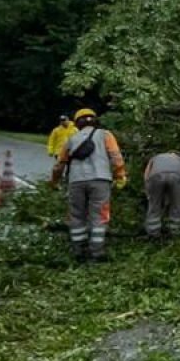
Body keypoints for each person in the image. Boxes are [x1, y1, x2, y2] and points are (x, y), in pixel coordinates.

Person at [49, 108, 127, 262]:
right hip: (100, 180)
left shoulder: (71, 140)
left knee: (76, 215)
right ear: (95, 120)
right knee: (99, 216)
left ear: (77, 123)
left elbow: (59, 165)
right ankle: (97, 252)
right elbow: (116, 157)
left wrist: (54, 181)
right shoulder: (106, 135)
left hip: (76, 182)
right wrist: (120, 176)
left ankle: (79, 250)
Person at [144, 151, 180, 239]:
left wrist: (148, 190)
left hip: (156, 176)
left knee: (154, 205)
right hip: (176, 176)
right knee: (176, 205)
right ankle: (175, 232)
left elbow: (147, 174)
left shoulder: (156, 157)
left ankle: (153, 234)